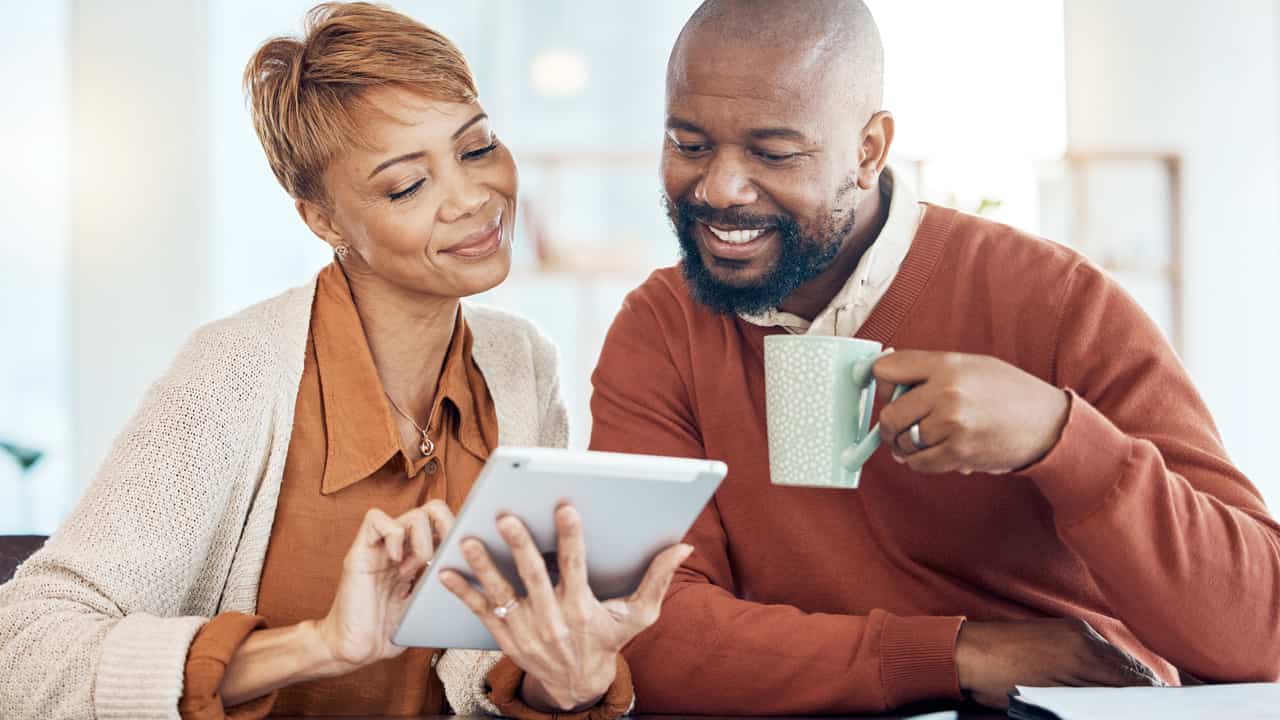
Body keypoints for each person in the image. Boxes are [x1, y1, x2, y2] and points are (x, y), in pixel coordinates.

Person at [589, 0, 1280, 712]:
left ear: (868, 151)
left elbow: (1260, 629)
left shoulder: (1056, 302)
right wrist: (960, 652)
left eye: (772, 153)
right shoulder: (662, 327)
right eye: (690, 143)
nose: (718, 188)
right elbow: (639, 631)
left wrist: (1058, 436)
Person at [0, 4, 686, 719]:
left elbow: (490, 668)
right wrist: (322, 645)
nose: (471, 199)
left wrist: (567, 678)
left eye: (477, 148)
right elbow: (23, 652)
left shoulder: (521, 365)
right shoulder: (233, 375)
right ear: (323, 220)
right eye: (407, 186)